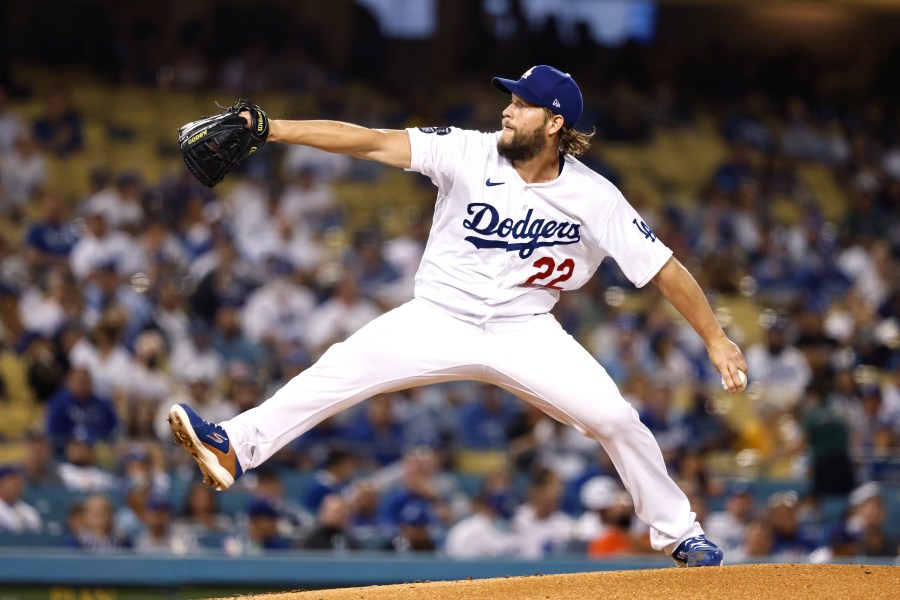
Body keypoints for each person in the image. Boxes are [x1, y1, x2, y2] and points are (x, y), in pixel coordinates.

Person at [168, 64, 748, 567]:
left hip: (525, 331)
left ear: (554, 123)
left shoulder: (596, 197)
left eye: (522, 104)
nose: (508, 109)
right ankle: (234, 447)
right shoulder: (469, 150)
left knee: (617, 420)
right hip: (438, 317)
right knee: (337, 370)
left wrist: (716, 339)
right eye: (510, 99)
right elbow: (370, 141)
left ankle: (681, 534)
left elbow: (665, 267)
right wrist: (269, 129)